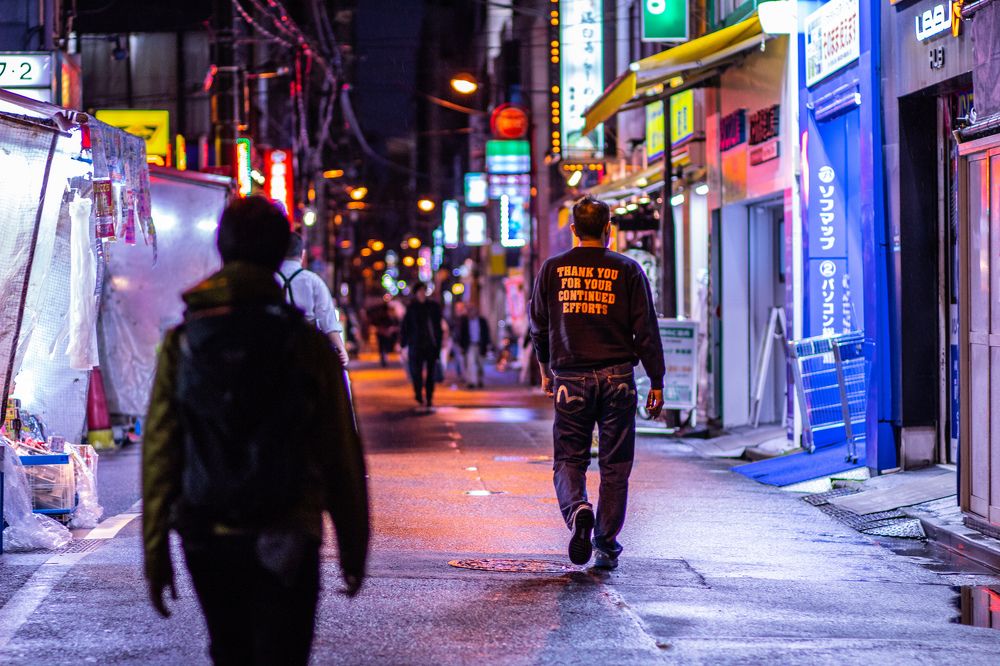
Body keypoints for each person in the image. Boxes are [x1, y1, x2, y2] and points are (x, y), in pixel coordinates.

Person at [143, 196, 369, 665]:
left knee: (229, 650)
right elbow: (339, 453)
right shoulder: (308, 346)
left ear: (221, 249)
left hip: (206, 530)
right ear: (277, 254)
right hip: (288, 528)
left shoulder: (182, 342)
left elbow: (162, 450)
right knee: (284, 653)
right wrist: (353, 545)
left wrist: (155, 550)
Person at [530, 196, 665, 571]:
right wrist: (657, 381)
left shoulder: (553, 269)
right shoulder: (628, 269)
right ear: (609, 229)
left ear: (574, 229)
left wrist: (544, 369)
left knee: (569, 459)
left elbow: (538, 326)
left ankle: (578, 511)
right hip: (619, 378)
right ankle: (606, 543)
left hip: (570, 378)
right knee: (615, 465)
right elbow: (646, 330)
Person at [277, 233, 350, 369]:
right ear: (302, 254)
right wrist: (341, 349)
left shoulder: (269, 279)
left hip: (275, 348)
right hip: (307, 348)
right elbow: (328, 322)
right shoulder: (313, 281)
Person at [400, 281, 443, 410]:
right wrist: (403, 343)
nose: (422, 293)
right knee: (416, 372)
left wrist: (438, 343)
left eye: (424, 290)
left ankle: (429, 396)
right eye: (419, 291)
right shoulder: (412, 308)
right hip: (416, 344)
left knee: (430, 373)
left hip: (430, 344)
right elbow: (405, 326)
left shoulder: (433, 307)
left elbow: (438, 327)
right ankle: (418, 393)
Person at [457, 304, 491, 388]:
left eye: (472, 311)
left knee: (480, 364)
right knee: (470, 363)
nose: (471, 313)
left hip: (480, 345)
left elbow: (486, 333)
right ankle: (471, 382)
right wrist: (462, 346)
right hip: (470, 345)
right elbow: (462, 334)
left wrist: (487, 345)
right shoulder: (465, 322)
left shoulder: (482, 321)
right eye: (469, 312)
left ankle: (480, 380)